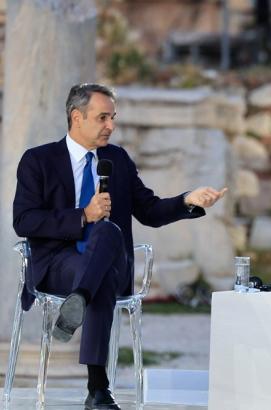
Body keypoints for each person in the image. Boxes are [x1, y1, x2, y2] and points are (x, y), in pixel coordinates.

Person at [13, 83, 227, 409]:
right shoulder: (38, 160)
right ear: (76, 117)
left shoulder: (117, 159)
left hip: (105, 264)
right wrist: (83, 215)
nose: (110, 125)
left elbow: (150, 211)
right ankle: (98, 389)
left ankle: (79, 301)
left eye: (113, 117)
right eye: (103, 117)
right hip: (58, 264)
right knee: (101, 274)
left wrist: (188, 200)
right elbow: (25, 221)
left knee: (108, 234)